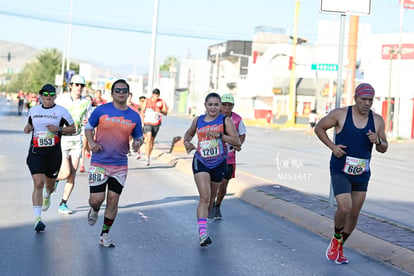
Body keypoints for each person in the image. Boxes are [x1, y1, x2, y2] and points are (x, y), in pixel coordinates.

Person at [314, 83, 388, 265]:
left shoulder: (377, 120)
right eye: (364, 99)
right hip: (340, 168)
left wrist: (378, 140)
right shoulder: (340, 114)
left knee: (354, 214)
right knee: (345, 208)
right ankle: (337, 237)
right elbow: (319, 128)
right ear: (355, 98)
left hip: (362, 172)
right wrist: (333, 147)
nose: (367, 103)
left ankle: (338, 245)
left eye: (370, 100)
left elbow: (384, 148)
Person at [84, 79, 143, 247]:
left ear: (128, 93)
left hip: (119, 165)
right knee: (97, 199)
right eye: (118, 90)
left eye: (124, 90)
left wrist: (138, 143)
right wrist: (92, 143)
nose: (121, 93)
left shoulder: (134, 116)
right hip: (99, 162)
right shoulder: (101, 110)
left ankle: (104, 234)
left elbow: (139, 136)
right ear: (112, 93)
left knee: (113, 200)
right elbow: (88, 128)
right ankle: (94, 209)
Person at [183, 92, 240, 247]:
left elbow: (237, 142)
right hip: (201, 160)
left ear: (220, 106)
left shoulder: (225, 120)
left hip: (219, 162)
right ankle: (203, 234)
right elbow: (187, 135)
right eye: (210, 104)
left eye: (216, 105)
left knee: (210, 200)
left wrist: (220, 135)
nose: (213, 108)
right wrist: (187, 143)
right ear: (205, 105)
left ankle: (205, 219)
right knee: (205, 196)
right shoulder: (198, 120)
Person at [24, 84, 75, 232]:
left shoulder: (61, 111)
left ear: (55, 96)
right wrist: (27, 129)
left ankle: (48, 194)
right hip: (36, 152)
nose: (48, 96)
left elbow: (73, 128)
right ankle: (37, 219)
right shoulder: (33, 110)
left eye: (51, 94)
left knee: (50, 185)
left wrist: (58, 129)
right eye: (45, 94)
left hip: (53, 154)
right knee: (38, 183)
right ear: (40, 95)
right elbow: (28, 126)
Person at [54, 74, 92, 214]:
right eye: (77, 85)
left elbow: (88, 119)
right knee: (65, 172)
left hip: (77, 139)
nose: (79, 88)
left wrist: (86, 122)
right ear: (71, 85)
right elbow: (53, 113)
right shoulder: (62, 99)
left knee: (72, 174)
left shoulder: (86, 102)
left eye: (82, 85)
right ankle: (53, 181)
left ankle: (63, 204)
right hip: (63, 138)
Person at [209, 94, 247, 220]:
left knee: (224, 183)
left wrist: (238, 144)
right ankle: (210, 204)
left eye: (229, 105)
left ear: (232, 106)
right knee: (213, 182)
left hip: (229, 157)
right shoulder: (213, 116)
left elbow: (242, 134)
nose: (226, 107)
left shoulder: (237, 119)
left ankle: (217, 206)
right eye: (224, 104)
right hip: (213, 155)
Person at [141, 88, 168, 166]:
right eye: (155, 95)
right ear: (152, 95)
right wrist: (142, 120)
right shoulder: (147, 101)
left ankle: (149, 155)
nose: (156, 97)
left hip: (156, 123)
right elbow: (142, 111)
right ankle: (147, 158)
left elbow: (165, 113)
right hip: (147, 122)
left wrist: (160, 110)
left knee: (152, 140)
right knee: (148, 138)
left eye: (157, 96)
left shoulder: (161, 102)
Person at [79, 95, 96, 172]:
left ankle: (88, 152)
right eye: (87, 100)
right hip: (82, 128)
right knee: (83, 146)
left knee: (89, 145)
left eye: (89, 100)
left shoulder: (94, 109)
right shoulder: (81, 108)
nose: (88, 101)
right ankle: (82, 165)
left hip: (91, 129)